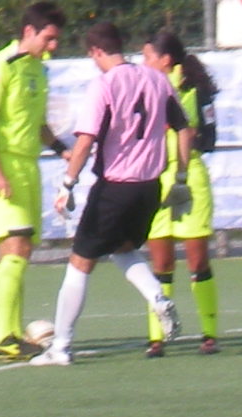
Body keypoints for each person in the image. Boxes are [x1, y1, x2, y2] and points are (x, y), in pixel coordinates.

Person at [29, 22, 187, 366]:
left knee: (79, 263)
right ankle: (157, 297)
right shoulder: (156, 79)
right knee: (122, 248)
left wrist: (67, 183)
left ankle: (61, 347)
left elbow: (86, 140)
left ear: (96, 52)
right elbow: (183, 126)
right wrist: (183, 176)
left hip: (116, 187)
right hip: (149, 186)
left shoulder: (103, 85)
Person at [0, 0, 66, 360]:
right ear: (29, 31)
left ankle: (12, 332)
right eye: (49, 38)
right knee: (15, 246)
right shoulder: (0, 67)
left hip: (29, 166)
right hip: (2, 166)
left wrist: (62, 149)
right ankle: (2, 335)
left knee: (20, 251)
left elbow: (39, 124)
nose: (53, 46)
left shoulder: (39, 71)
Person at [141, 29, 223, 356]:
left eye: (148, 56)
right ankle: (157, 337)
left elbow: (206, 136)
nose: (143, 62)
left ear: (165, 60)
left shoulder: (191, 91)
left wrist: (184, 168)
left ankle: (210, 332)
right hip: (155, 178)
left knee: (197, 260)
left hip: (188, 180)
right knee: (160, 263)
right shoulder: (145, 89)